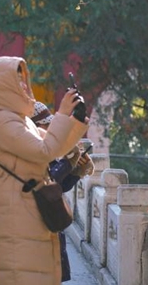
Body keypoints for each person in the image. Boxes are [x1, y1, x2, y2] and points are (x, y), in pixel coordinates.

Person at [0, 57, 89, 285]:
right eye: (18, 82)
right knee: (20, 274)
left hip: (29, 210)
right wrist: (61, 113)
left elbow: (58, 147)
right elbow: (44, 151)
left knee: (35, 273)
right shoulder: (0, 121)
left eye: (24, 80)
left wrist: (75, 120)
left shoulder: (21, 120)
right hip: (16, 215)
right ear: (3, 87)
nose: (26, 87)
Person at [31, 101, 94, 283]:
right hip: (35, 223)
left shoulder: (46, 148)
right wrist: (69, 163)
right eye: (46, 124)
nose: (50, 128)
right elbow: (46, 182)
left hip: (51, 221)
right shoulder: (30, 149)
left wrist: (75, 171)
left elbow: (59, 186)